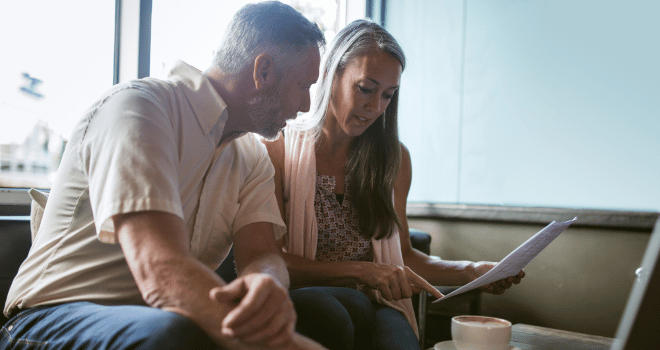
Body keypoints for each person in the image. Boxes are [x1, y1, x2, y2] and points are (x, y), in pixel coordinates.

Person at [2, 2, 326, 350]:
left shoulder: (251, 156)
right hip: (47, 318)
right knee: (175, 335)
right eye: (302, 86)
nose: (306, 106)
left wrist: (267, 286)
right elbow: (161, 271)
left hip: (159, 316)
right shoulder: (141, 109)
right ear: (263, 72)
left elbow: (261, 252)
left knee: (326, 314)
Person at [264, 19, 525, 350]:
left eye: (388, 95)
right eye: (366, 88)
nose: (375, 108)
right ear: (332, 74)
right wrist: (363, 272)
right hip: (311, 298)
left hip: (376, 300)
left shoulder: (394, 160)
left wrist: (476, 272)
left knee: (398, 339)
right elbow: (272, 259)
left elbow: (402, 256)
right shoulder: (278, 150)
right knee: (340, 311)